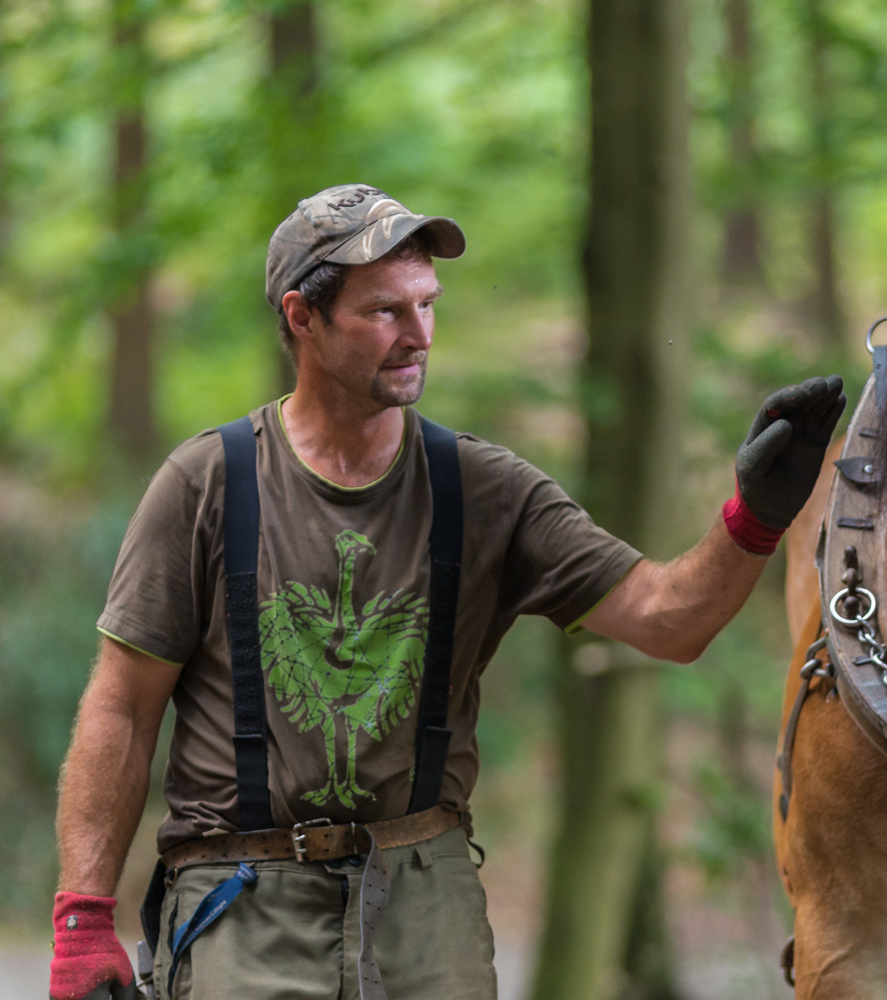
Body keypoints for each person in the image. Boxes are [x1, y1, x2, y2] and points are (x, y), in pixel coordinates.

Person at [49, 184, 845, 1000]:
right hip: (242, 907)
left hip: (424, 908)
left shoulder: (483, 489)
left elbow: (667, 619)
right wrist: (82, 916)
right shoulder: (206, 484)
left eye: (427, 304)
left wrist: (753, 518)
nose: (418, 334)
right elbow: (122, 705)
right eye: (384, 311)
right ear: (302, 316)